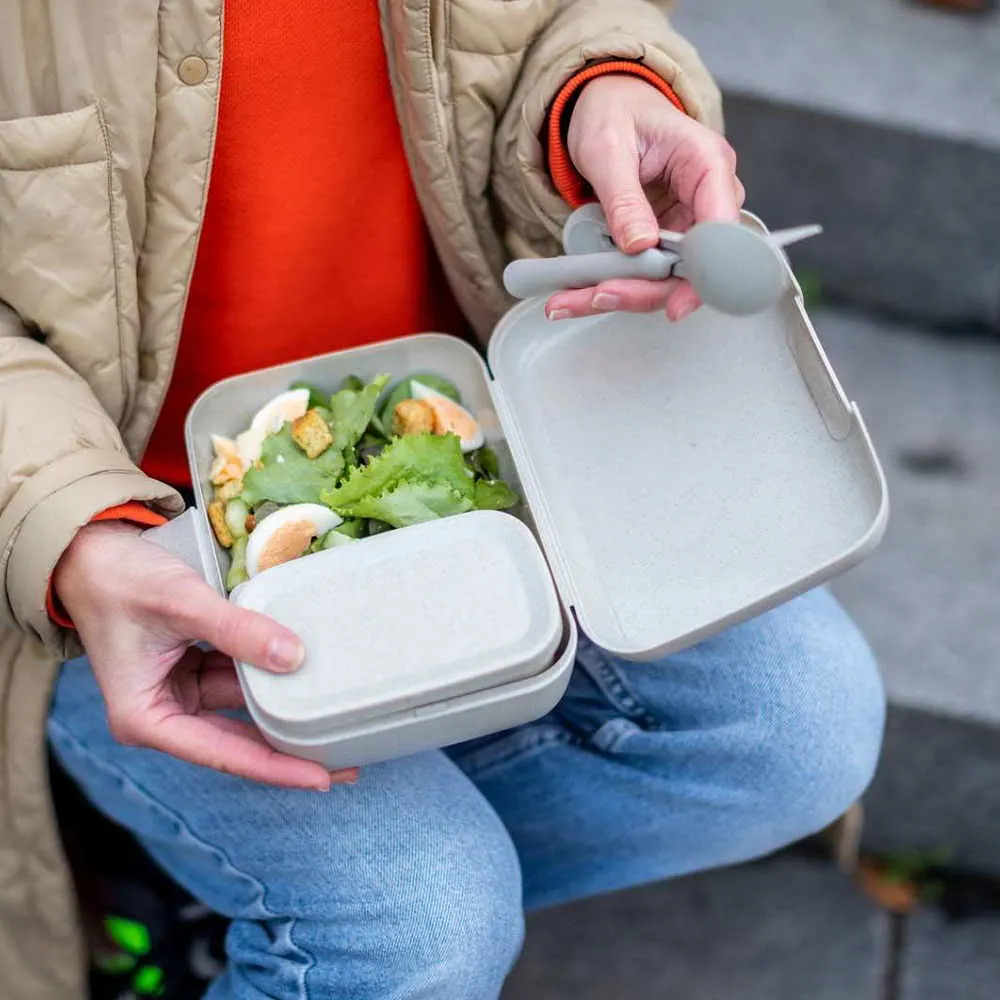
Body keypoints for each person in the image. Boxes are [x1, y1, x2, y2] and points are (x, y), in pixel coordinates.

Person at [0, 3, 885, 998]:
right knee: (417, 920)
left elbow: (555, 17)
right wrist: (72, 532)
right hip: (130, 541)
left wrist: (597, 87)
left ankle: (242, 890)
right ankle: (289, 898)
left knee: (797, 731)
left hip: (477, 438)